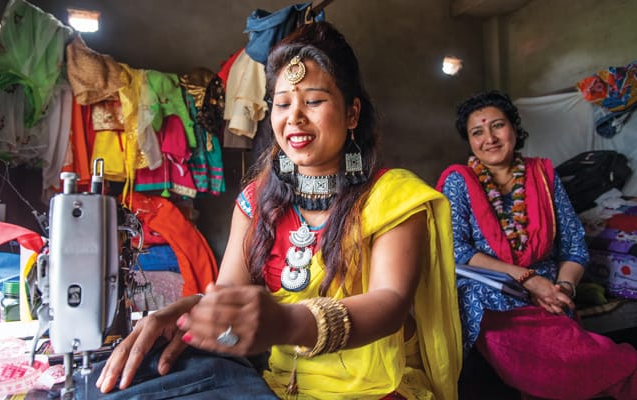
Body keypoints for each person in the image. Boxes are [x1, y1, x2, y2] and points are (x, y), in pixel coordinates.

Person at [95, 21, 462, 400]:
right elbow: (229, 292)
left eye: (314, 101)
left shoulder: (393, 196)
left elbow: (390, 303)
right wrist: (183, 312)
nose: (294, 118)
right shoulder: (256, 201)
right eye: (282, 103)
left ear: (352, 114)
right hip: (279, 386)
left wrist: (287, 321)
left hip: (377, 388)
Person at [436, 90, 637, 400]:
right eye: (477, 132)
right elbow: (456, 250)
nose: (489, 137)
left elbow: (573, 246)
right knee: (513, 326)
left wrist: (564, 290)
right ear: (470, 142)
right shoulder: (458, 180)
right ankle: (627, 374)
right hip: (489, 290)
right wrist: (529, 281)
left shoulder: (543, 174)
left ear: (515, 129)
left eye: (498, 126)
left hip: (549, 293)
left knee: (563, 335)